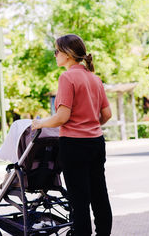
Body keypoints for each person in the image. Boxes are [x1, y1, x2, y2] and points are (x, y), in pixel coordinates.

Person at [31, 34, 113, 236]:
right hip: (96, 143)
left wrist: (40, 123)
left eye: (57, 51)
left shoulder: (67, 77)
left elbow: (62, 117)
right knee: (99, 195)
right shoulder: (95, 78)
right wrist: (90, 125)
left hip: (74, 145)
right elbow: (107, 114)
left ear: (67, 54)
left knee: (80, 200)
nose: (55, 55)